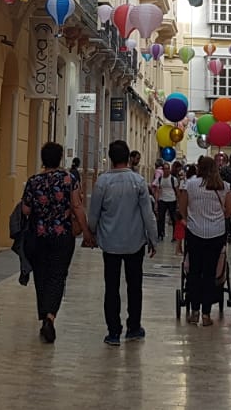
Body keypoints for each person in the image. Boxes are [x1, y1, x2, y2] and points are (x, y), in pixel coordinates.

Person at [84, 140, 156, 346]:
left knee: (111, 287)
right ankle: (134, 327)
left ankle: (113, 332)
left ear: (111, 158)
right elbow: (147, 214)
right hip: (135, 242)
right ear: (127, 158)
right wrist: (152, 238)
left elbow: (94, 214)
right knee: (135, 286)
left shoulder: (102, 182)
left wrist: (92, 233)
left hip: (110, 243)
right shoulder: (139, 182)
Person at [19, 142, 86, 343]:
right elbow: (76, 205)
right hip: (62, 235)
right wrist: (86, 231)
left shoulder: (33, 181)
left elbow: (26, 210)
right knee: (58, 275)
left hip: (38, 236)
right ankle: (50, 317)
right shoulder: (69, 179)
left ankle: (43, 316)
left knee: (41, 276)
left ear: (43, 159)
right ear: (59, 158)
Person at [177, 156, 231, 327]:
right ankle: (207, 314)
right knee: (210, 274)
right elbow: (230, 210)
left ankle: (194, 311)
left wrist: (190, 219)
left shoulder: (191, 184)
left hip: (195, 233)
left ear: (200, 167)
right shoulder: (223, 186)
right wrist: (216, 218)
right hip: (216, 234)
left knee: (194, 272)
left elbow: (182, 206)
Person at [153, 161, 179, 242]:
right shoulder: (160, 179)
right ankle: (160, 233)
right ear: (163, 170)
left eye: (168, 169)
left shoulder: (173, 179)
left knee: (173, 218)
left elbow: (177, 191)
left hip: (172, 200)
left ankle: (175, 236)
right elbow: (157, 190)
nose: (166, 170)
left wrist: (178, 202)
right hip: (162, 200)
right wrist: (156, 202)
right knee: (160, 218)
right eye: (165, 169)